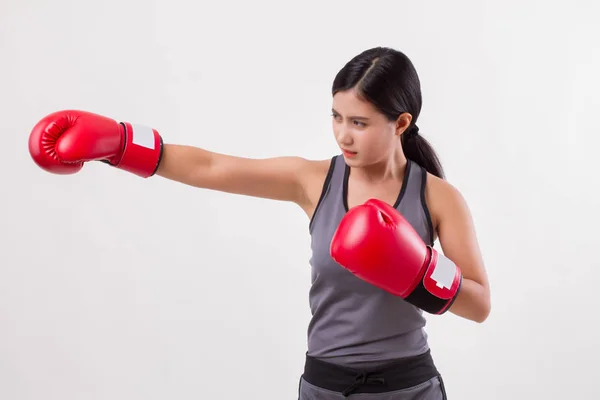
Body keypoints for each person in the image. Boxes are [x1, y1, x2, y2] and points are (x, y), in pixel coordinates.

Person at [28, 46, 491, 399]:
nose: (343, 134)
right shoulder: (313, 180)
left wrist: (418, 271)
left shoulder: (437, 196)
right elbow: (212, 167)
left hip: (409, 387)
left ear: (401, 123)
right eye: (335, 116)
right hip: (325, 385)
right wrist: (121, 143)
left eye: (360, 122)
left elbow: (480, 303)